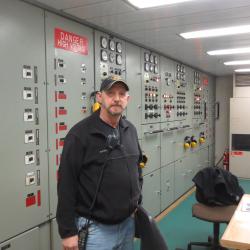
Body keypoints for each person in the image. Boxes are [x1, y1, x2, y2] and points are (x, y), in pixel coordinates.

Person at [56, 75, 143, 250]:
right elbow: (66, 184)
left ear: (128, 99)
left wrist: (137, 202)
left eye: (121, 93)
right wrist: (68, 232)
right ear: (99, 97)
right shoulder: (80, 135)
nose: (117, 98)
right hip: (95, 229)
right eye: (111, 93)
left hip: (127, 225)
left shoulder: (130, 130)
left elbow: (137, 169)